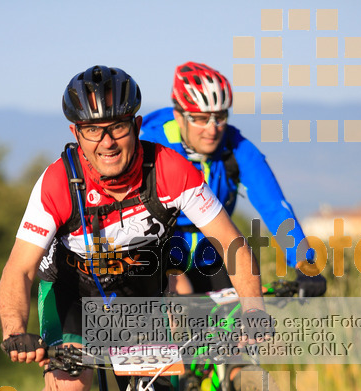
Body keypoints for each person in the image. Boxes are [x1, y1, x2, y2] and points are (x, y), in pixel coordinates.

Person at [0, 64, 273, 391]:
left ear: (136, 125)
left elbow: (230, 241)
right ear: (76, 134)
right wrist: (15, 329)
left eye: (118, 127)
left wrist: (253, 308)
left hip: (139, 300)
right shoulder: (59, 183)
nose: (107, 141)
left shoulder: (168, 168)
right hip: (73, 296)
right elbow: (18, 270)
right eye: (92, 131)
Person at [140, 61, 326, 296]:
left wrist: (304, 263)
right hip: (162, 254)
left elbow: (274, 207)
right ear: (179, 115)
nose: (212, 129)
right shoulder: (151, 145)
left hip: (213, 255)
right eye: (200, 118)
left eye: (220, 117)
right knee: (176, 311)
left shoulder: (236, 147)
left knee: (237, 324)